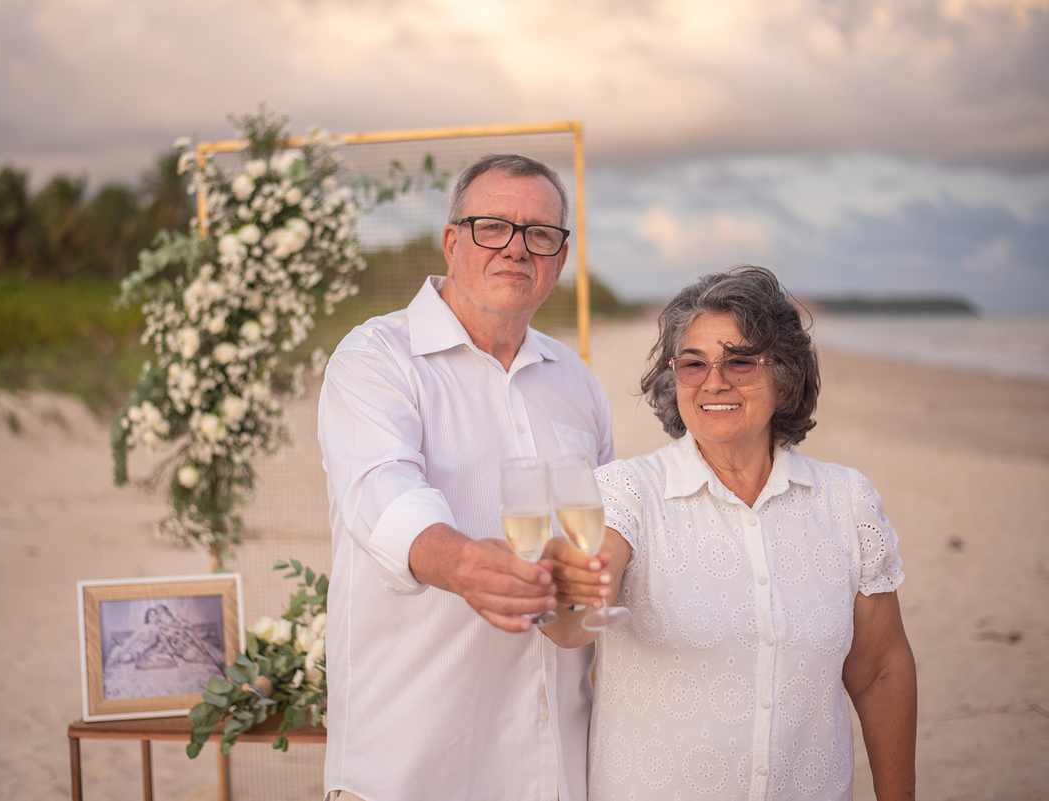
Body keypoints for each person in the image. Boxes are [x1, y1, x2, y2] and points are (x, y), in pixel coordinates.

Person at [543, 266, 917, 800]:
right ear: (674, 378)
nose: (714, 382)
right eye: (693, 363)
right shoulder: (626, 491)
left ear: (784, 375)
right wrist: (568, 587)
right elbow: (574, 621)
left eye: (740, 361)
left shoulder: (847, 500)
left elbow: (880, 670)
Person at [318, 154, 614, 801]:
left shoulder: (577, 382)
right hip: (410, 766)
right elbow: (381, 493)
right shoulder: (375, 358)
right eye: (493, 227)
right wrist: (462, 564)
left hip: (554, 772)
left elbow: (603, 533)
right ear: (453, 242)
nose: (517, 247)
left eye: (539, 233)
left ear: (560, 259)